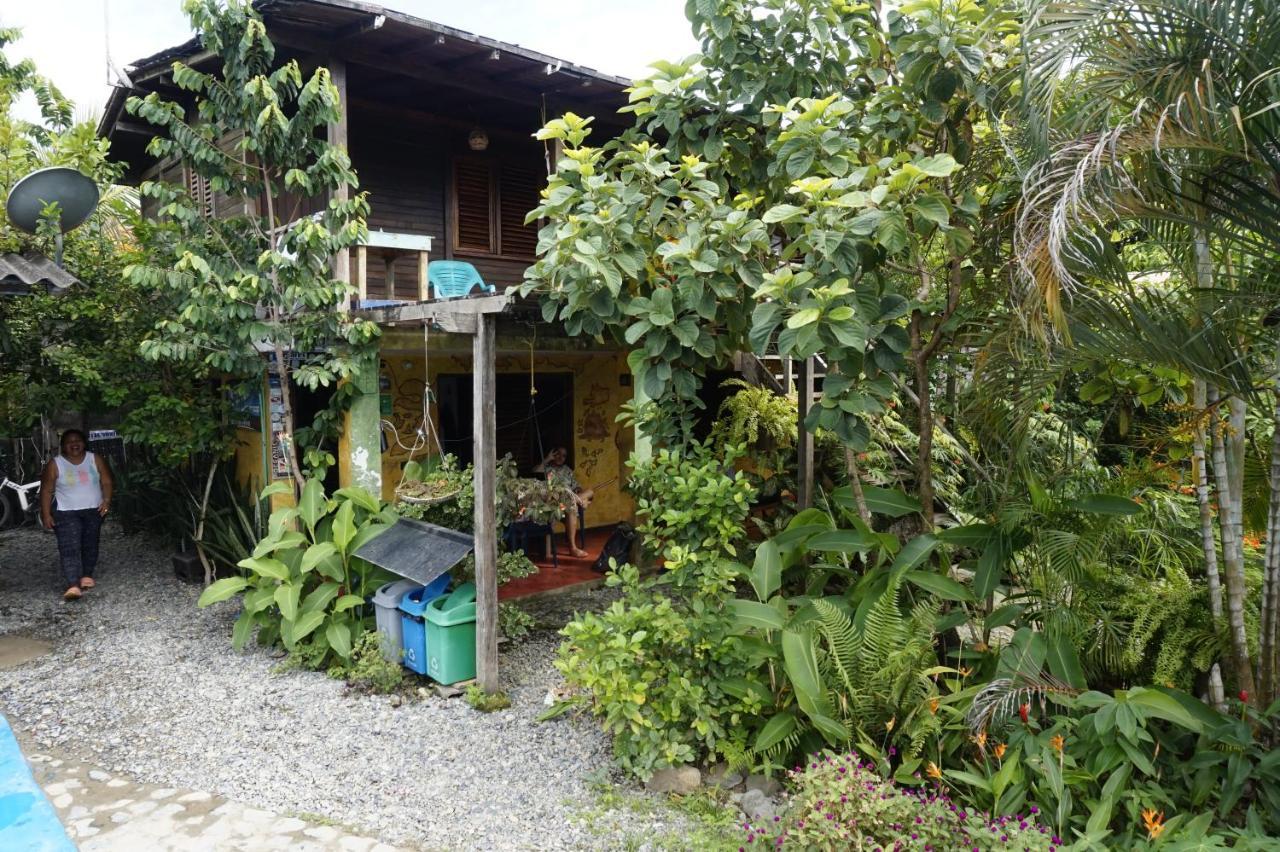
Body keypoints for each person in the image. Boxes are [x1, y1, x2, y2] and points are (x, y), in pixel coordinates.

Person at [39, 430, 113, 601]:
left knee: (90, 543)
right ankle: (73, 584)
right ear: (63, 446)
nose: (74, 444)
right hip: (66, 512)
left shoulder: (95, 459)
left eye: (77, 440)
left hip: (93, 510)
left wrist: (107, 501)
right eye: (69, 442)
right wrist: (46, 514)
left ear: (84, 443)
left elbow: (107, 481)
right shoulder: (55, 464)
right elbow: (46, 490)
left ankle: (87, 575)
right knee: (69, 547)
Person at [534, 446, 591, 559]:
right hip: (555, 500)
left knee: (590, 491)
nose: (561, 457)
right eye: (558, 454)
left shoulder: (567, 470)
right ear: (553, 454)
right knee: (572, 507)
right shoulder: (547, 468)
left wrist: (578, 491)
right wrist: (547, 458)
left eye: (564, 455)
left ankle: (580, 500)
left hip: (570, 498)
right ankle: (573, 548)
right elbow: (534, 472)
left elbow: (576, 486)